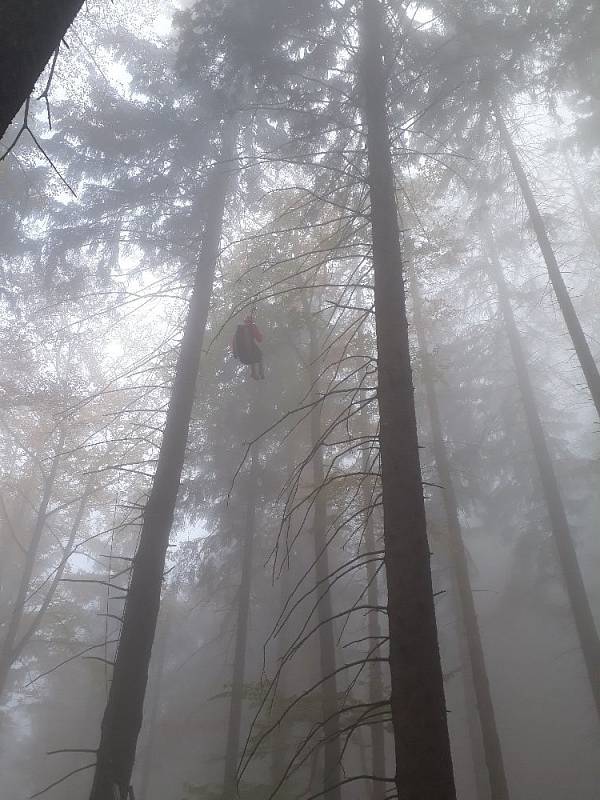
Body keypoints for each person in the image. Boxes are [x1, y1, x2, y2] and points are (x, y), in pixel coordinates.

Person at [232, 315, 264, 379]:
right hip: (249, 356)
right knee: (259, 355)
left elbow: (233, 342)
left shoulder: (238, 330)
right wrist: (261, 333)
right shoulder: (252, 327)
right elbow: (259, 339)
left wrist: (235, 354)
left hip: (242, 358)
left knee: (253, 352)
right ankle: (261, 372)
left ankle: (253, 373)